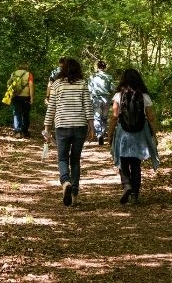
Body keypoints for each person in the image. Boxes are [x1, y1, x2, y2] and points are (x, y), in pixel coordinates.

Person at [43, 57, 95, 207]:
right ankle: (74, 195)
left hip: (62, 126)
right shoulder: (82, 84)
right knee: (75, 159)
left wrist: (47, 128)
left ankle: (65, 181)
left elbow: (51, 107)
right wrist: (91, 126)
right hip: (80, 126)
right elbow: (88, 106)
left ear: (63, 69)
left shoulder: (57, 84)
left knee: (63, 158)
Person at [106, 68, 159, 205]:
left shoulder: (118, 96)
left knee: (123, 161)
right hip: (140, 134)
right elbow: (151, 117)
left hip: (123, 133)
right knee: (136, 164)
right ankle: (135, 194)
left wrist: (110, 134)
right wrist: (154, 135)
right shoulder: (144, 96)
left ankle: (127, 185)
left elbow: (114, 117)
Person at [87, 60, 114, 145]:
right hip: (106, 99)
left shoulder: (92, 77)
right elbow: (113, 89)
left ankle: (99, 135)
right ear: (105, 67)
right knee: (104, 117)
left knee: (97, 117)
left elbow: (89, 89)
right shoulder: (109, 77)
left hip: (96, 99)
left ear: (97, 67)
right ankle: (102, 132)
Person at [8, 63, 34, 138]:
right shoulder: (29, 74)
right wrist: (32, 97)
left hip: (15, 96)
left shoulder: (13, 74)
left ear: (18, 68)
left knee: (17, 114)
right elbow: (31, 85)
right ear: (26, 68)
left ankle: (17, 132)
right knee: (25, 114)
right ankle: (25, 131)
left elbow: (11, 85)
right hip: (26, 96)